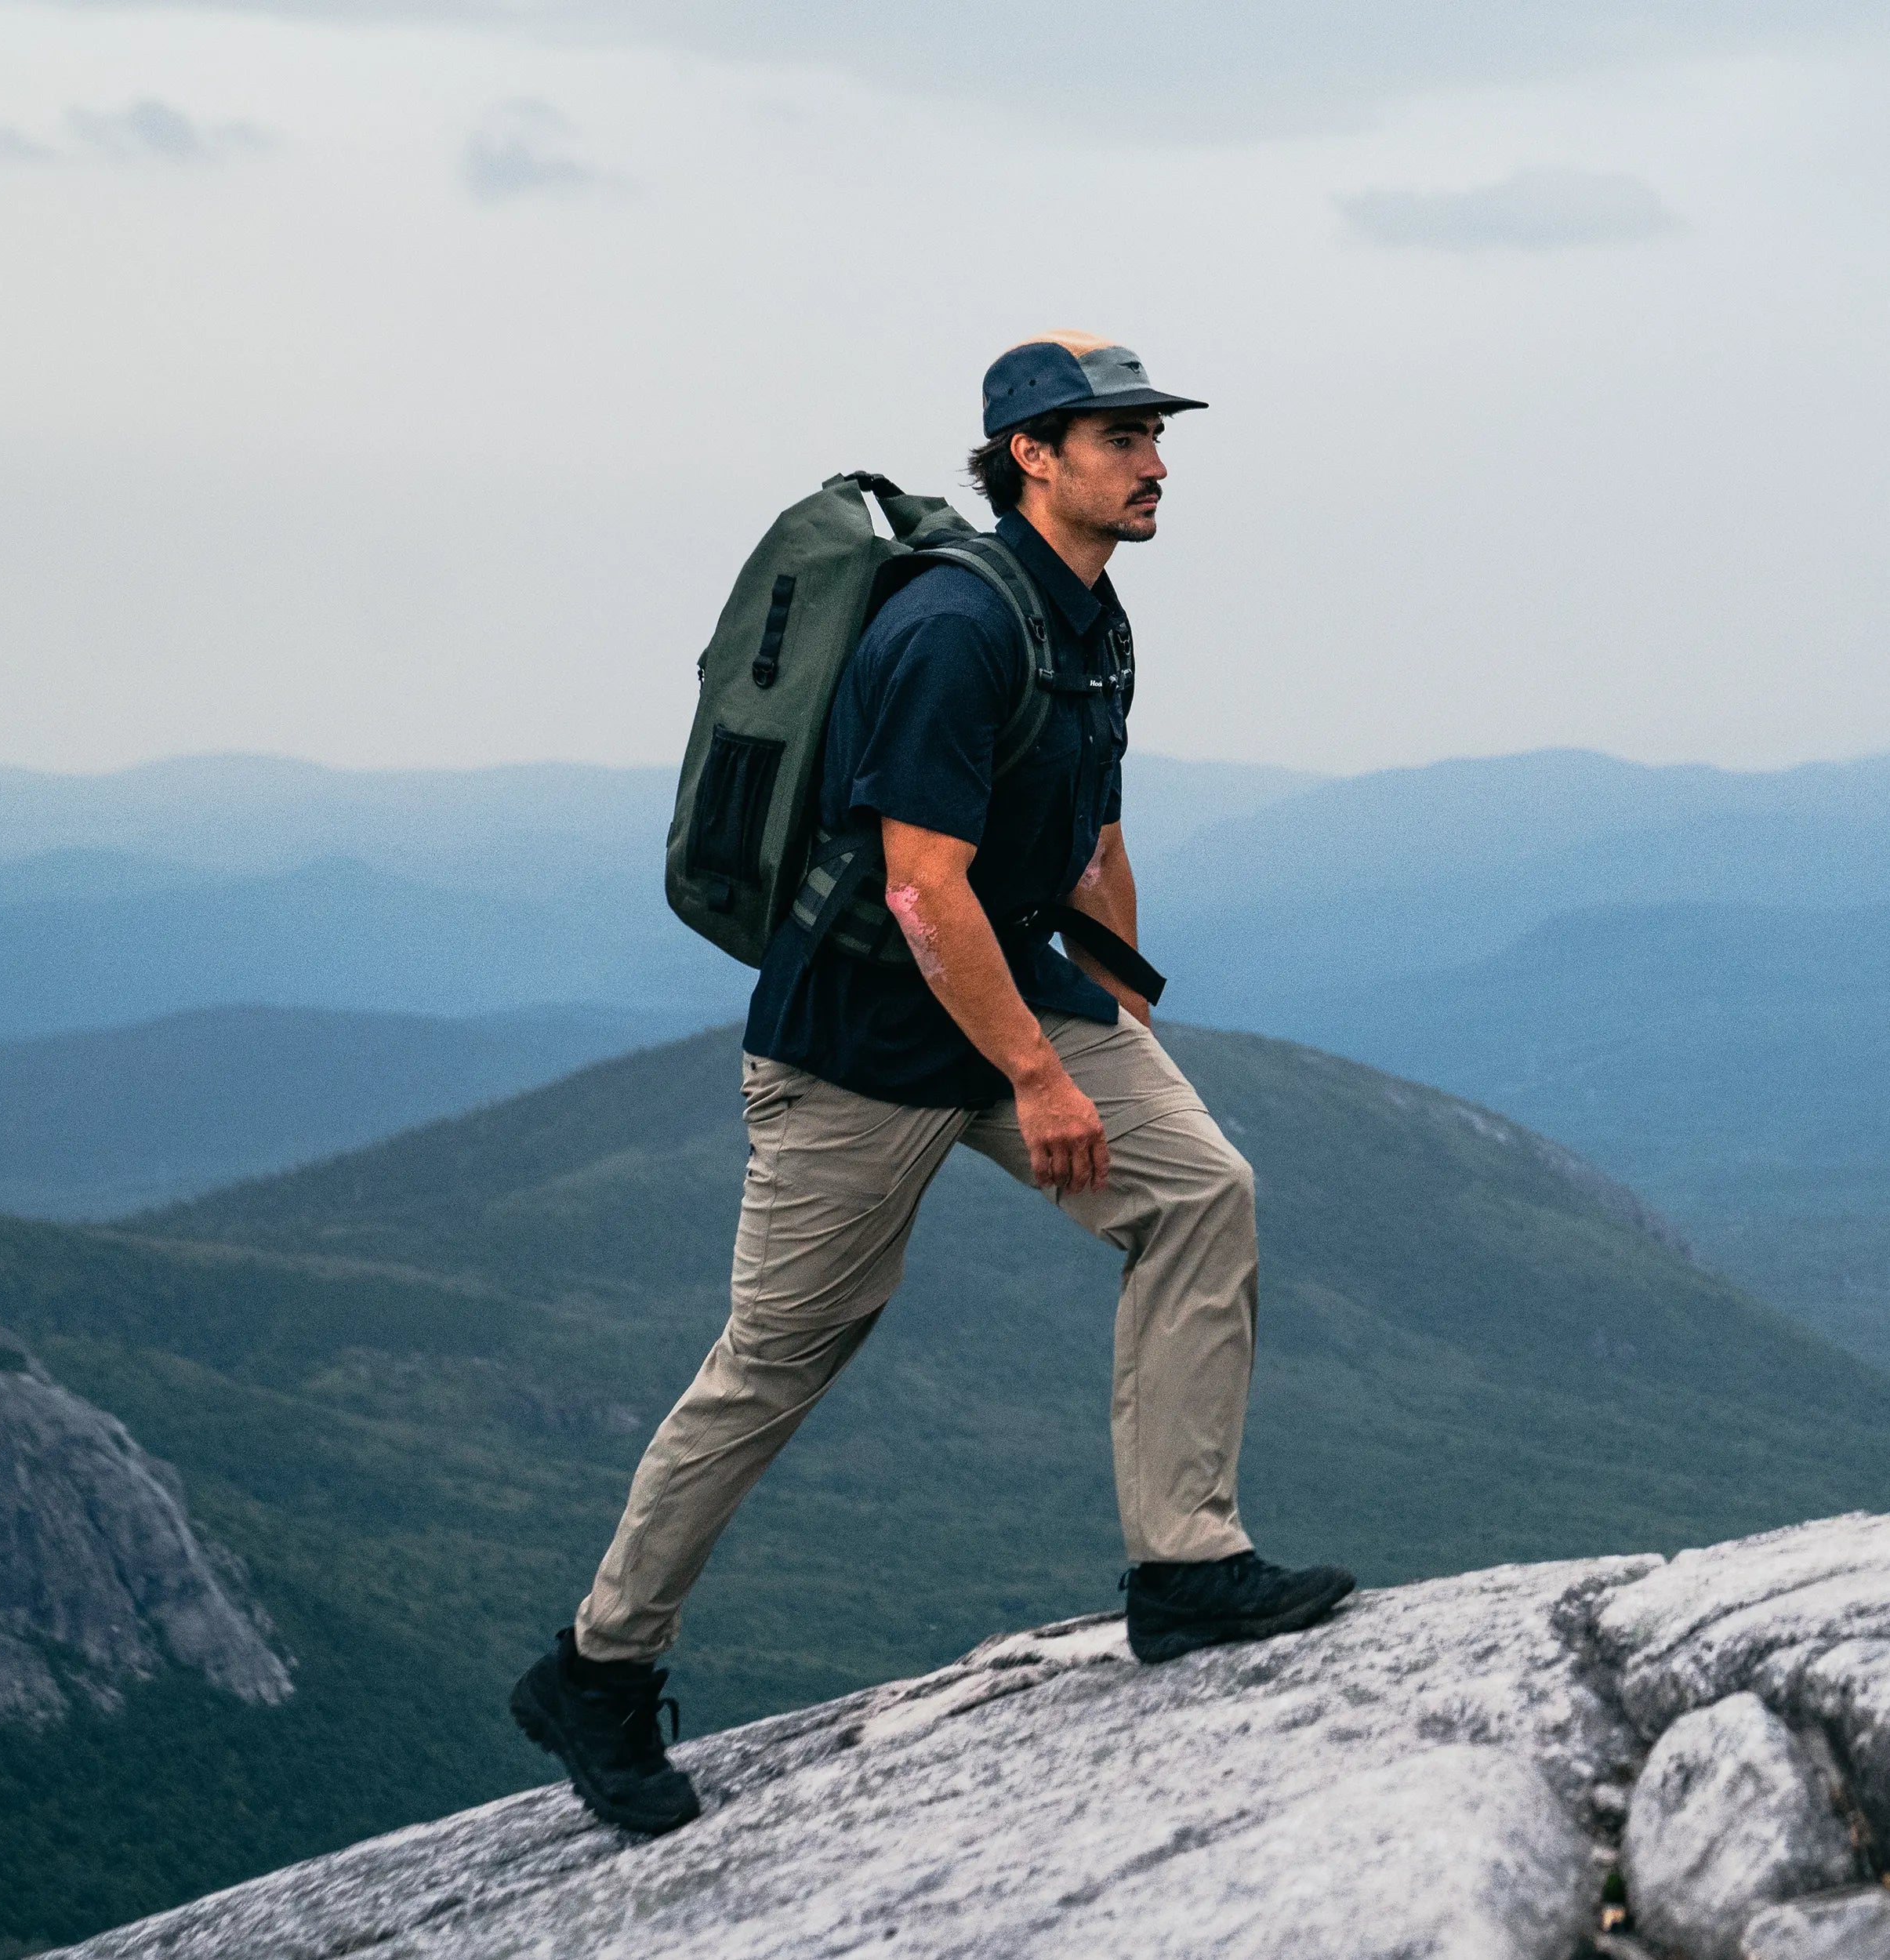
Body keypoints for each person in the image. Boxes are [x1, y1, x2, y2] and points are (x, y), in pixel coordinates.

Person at [510, 332, 1355, 1836]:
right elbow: (918, 885)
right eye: (1123, 437)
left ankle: (1185, 1565)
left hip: (1006, 991)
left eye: (1158, 437)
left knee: (1202, 1192)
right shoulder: (956, 628)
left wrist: (1121, 1023)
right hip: (856, 1042)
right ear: (1032, 452)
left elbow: (1092, 839)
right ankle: (598, 1666)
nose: (1157, 463)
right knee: (780, 1360)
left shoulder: (1090, 619)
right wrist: (1040, 1079)